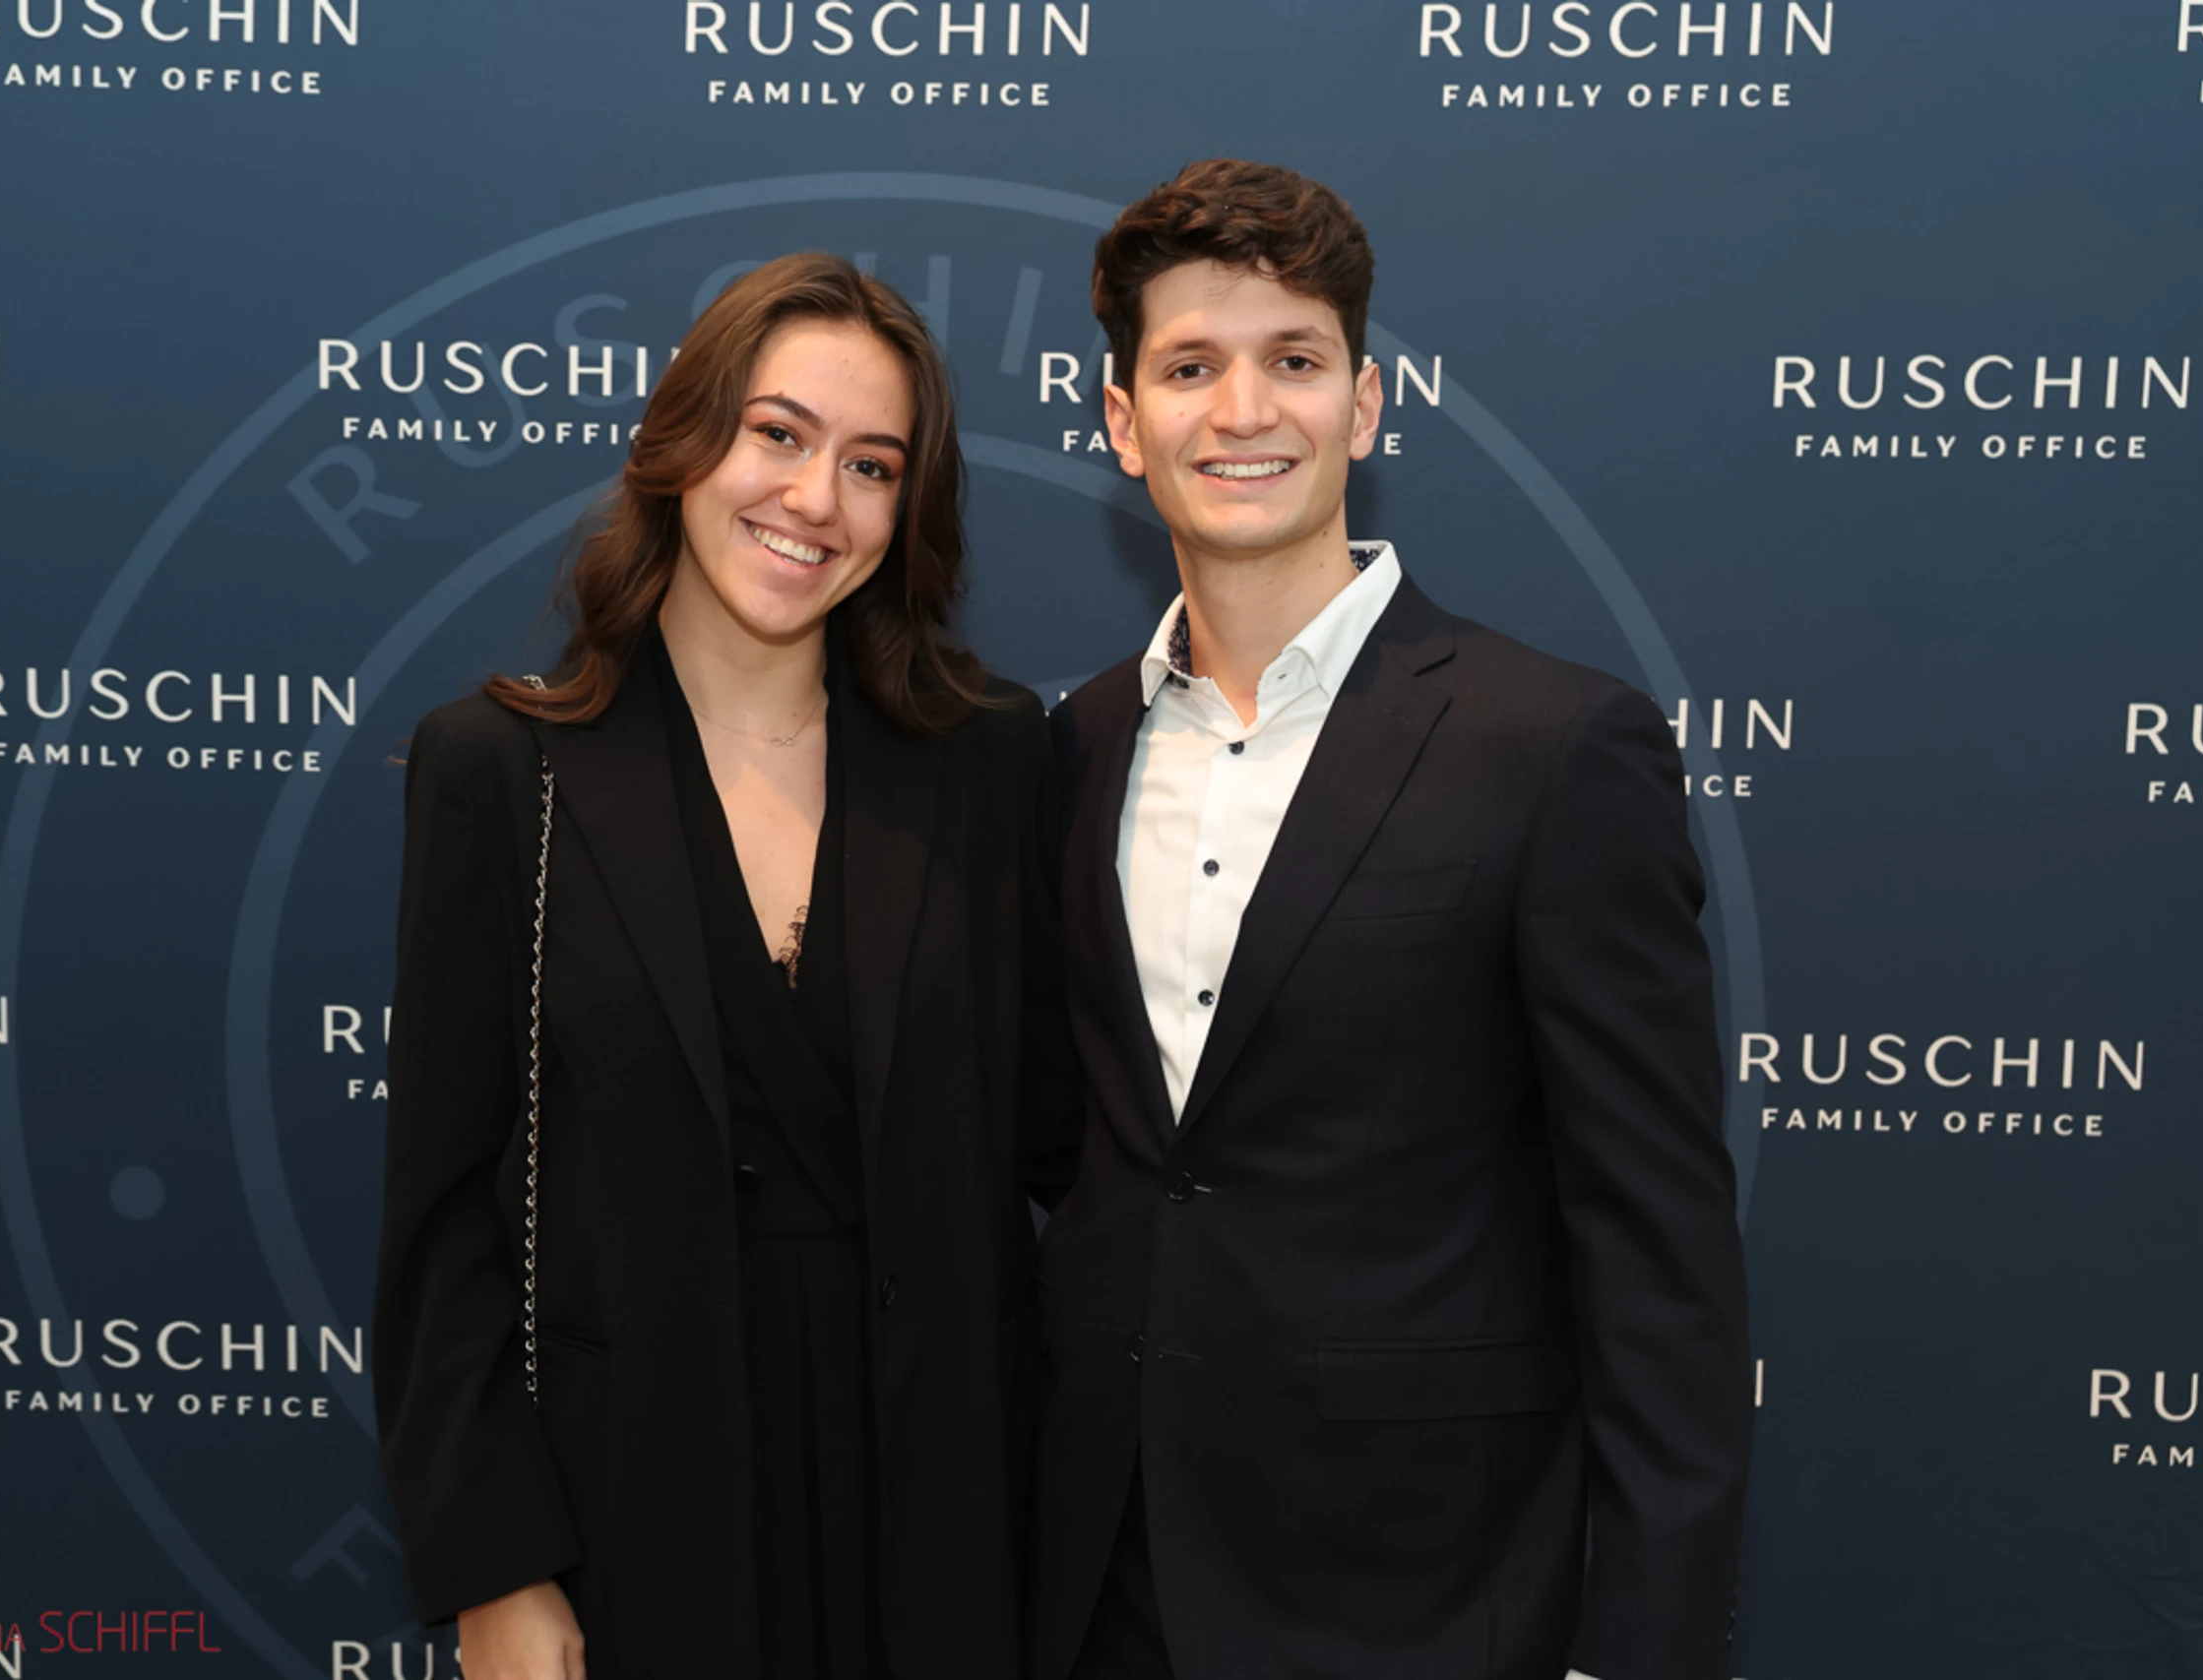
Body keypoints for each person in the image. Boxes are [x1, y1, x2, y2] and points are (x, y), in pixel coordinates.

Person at [1030, 160, 1755, 1680]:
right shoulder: (1078, 743)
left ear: (1363, 407)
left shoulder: (1555, 745)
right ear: (1121, 423)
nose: (1244, 411)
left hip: (1428, 1597)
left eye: (1294, 360)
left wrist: (1639, 1647)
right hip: (1106, 1585)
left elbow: (1657, 1255)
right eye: (1189, 367)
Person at [375, 251, 1077, 1680]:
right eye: (778, 435)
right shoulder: (504, 769)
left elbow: (1065, 1143)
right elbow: (443, 1216)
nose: (816, 499)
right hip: (629, 1508)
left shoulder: (990, 758)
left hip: (947, 1512)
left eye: (872, 465)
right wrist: (497, 1560)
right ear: (683, 440)